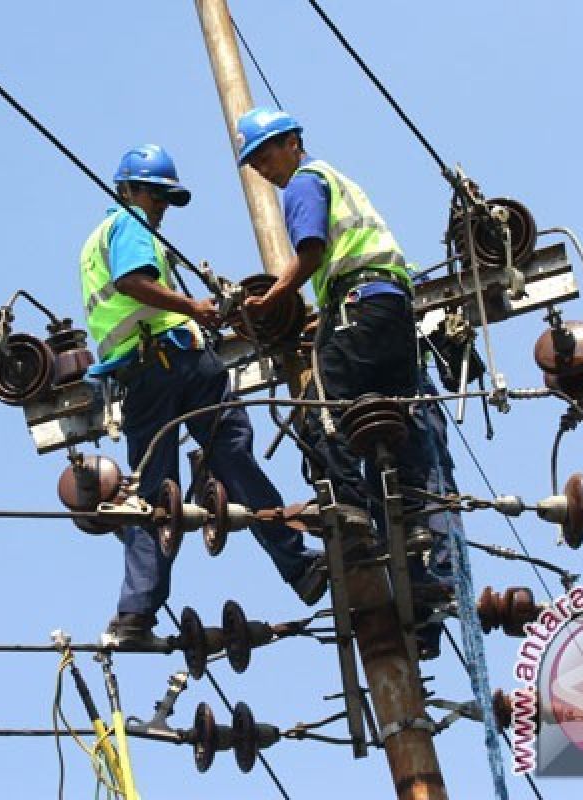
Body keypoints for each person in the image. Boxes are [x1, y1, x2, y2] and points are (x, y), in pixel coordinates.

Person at [80, 144, 327, 646]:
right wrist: (195, 307)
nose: (161, 206)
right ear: (127, 189)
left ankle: (135, 614)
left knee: (154, 496)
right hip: (177, 360)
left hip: (140, 376)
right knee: (233, 455)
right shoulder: (128, 225)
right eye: (155, 194)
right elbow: (133, 281)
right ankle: (299, 567)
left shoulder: (97, 241)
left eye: (166, 198)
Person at [236, 109, 444, 646]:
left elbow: (311, 252)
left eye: (266, 155)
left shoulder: (305, 183)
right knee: (391, 426)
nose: (264, 169)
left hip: (354, 303)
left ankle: (350, 516)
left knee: (321, 415)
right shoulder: (339, 180)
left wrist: (273, 299)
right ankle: (414, 532)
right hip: (393, 308)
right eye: (255, 163)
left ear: (293, 143)